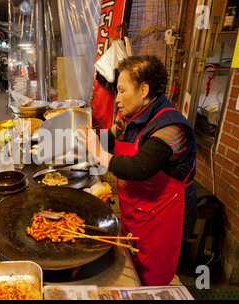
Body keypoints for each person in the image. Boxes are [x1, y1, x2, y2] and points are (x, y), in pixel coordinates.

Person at [77, 55, 197, 286]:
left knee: (153, 279)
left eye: (122, 91)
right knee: (133, 265)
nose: (118, 99)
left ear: (143, 89)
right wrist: (98, 137)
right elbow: (108, 143)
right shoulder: (132, 117)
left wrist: (98, 152)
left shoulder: (171, 126)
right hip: (136, 209)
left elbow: (139, 167)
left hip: (162, 218)